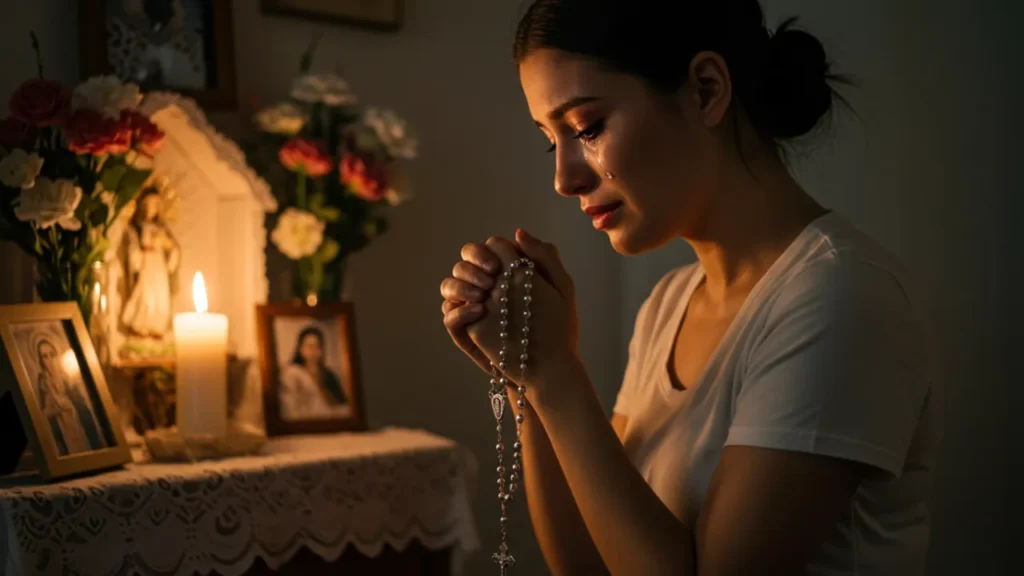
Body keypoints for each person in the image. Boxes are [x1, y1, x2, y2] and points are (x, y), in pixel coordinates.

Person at [439, 1, 942, 574]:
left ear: (705, 90)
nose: (565, 178)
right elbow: (588, 564)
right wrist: (527, 377)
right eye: (552, 142)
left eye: (587, 128)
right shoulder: (669, 304)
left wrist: (558, 376)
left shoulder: (841, 296)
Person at [121, 187, 180, 339]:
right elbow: (132, 248)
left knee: (161, 295)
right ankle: (142, 326)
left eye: (156, 204)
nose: (153, 208)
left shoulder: (162, 227)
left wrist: (167, 246)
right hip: (146, 264)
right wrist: (139, 257)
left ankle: (157, 326)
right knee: (146, 296)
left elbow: (173, 248)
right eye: (150, 204)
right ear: (142, 205)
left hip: (159, 265)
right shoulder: (136, 228)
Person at [35, 337, 107, 456]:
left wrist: (69, 405)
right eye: (45, 356)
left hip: (78, 427)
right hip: (61, 432)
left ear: (57, 355)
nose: (50, 360)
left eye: (52, 354)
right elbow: (43, 413)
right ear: (41, 361)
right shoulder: (43, 381)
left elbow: (82, 406)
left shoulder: (67, 376)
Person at [278, 326, 348, 421]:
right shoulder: (292, 374)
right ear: (301, 349)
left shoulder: (329, 374)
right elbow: (290, 408)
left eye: (317, 346)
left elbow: (341, 405)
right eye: (310, 346)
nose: (313, 351)